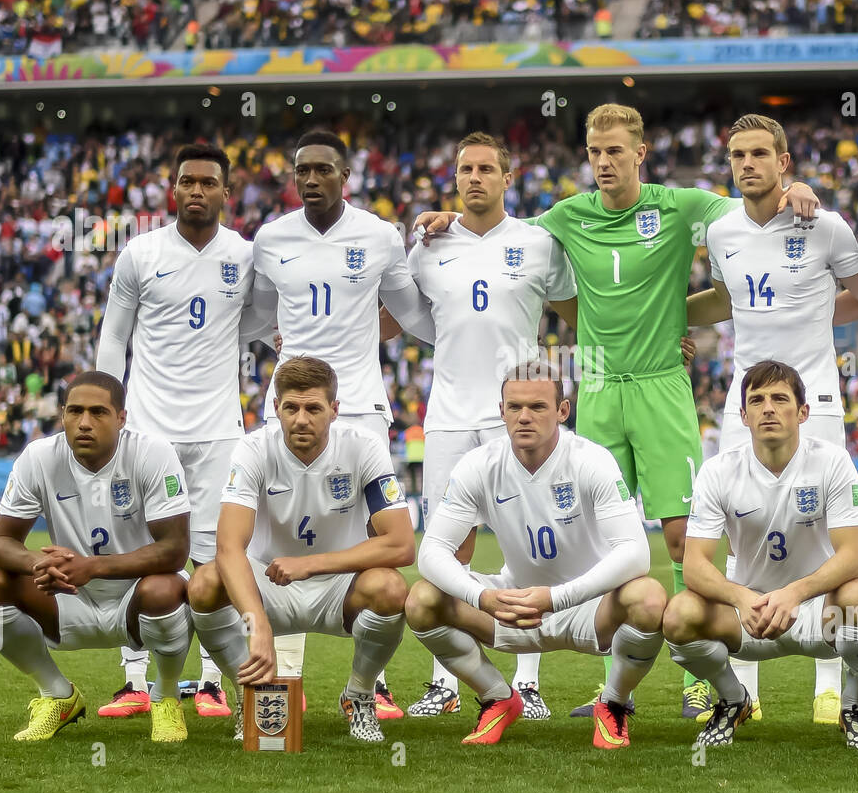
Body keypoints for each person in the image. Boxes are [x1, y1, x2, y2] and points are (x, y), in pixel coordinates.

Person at [417, 104, 819, 719]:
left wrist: (795, 188)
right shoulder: (567, 216)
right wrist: (454, 215)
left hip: (660, 384)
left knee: (686, 534)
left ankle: (701, 677)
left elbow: (749, 211)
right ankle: (611, 690)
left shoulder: (682, 207)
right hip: (599, 384)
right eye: (594, 153)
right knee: (592, 535)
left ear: (640, 154)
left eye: (615, 152)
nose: (603, 163)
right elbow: (503, 233)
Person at [686, 113, 858, 725]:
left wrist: (821, 305)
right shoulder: (721, 232)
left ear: (785, 162)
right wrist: (667, 320)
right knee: (737, 536)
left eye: (759, 154)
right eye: (737, 155)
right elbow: (729, 299)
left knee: (822, 533)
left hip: (816, 403)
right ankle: (739, 687)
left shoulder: (823, 225)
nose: (748, 164)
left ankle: (829, 684)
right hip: (741, 402)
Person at [249, 129, 434, 714]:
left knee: (368, 540)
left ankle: (368, 685)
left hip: (360, 408)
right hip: (290, 405)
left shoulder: (380, 236)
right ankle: (284, 679)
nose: (309, 179)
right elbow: (250, 312)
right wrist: (269, 336)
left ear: (345, 177)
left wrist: (473, 335)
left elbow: (410, 312)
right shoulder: (271, 237)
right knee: (277, 533)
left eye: (323, 169)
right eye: (301, 169)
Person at [402, 131, 579, 719]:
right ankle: (445, 683)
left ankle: (527, 680)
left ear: (509, 177)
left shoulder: (538, 243)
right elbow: (412, 316)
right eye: (464, 169)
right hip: (449, 413)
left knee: (526, 543)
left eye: (486, 168)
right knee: (449, 544)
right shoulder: (429, 245)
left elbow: (576, 310)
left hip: (518, 411)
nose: (474, 177)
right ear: (454, 179)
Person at [406, 362, 667, 748]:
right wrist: (483, 597)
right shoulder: (480, 465)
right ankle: (497, 697)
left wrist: (556, 598)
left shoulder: (590, 460)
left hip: (589, 608)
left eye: (538, 407)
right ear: (501, 411)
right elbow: (431, 551)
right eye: (514, 407)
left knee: (648, 597)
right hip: (512, 604)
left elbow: (636, 553)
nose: (524, 417)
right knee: (421, 599)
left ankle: (612, 703)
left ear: (563, 411)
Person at [96, 142, 268, 720]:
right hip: (148, 431)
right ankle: (134, 682)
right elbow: (112, 339)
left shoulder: (244, 257)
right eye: (187, 182)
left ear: (226, 191)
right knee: (143, 554)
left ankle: (212, 681)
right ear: (173, 188)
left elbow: (268, 325)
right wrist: (105, 408)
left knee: (215, 558)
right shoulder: (140, 254)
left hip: (219, 432)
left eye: (208, 183)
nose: (197, 191)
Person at [187, 357, 414, 742]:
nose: (301, 419)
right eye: (290, 408)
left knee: (391, 588)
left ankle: (360, 694)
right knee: (204, 582)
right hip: (269, 585)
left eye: (313, 408)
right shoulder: (254, 449)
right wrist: (256, 625)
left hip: (340, 588)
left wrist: (310, 564)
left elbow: (402, 544)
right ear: (276, 408)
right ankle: (251, 692)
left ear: (335, 410)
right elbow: (228, 547)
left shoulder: (364, 447)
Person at [665, 360, 858, 750]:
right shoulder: (718, 471)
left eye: (780, 399)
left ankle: (852, 707)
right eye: (758, 400)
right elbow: (695, 564)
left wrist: (794, 594)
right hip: (748, 614)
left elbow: (853, 557)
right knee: (679, 615)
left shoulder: (832, 461)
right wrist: (741, 597)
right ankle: (733, 699)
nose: (768, 408)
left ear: (803, 412)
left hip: (817, 613)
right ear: (743, 415)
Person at [0, 372, 193, 742]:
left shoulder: (152, 453)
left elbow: (174, 549)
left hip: (134, 600)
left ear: (121, 417)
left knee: (165, 590)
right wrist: (38, 565)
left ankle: (165, 696)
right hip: (68, 598)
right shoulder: (40, 457)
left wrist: (93, 567)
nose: (84, 423)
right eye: (75, 411)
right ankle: (57, 695)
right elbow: (2, 543)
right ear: (62, 415)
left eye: (98, 412)